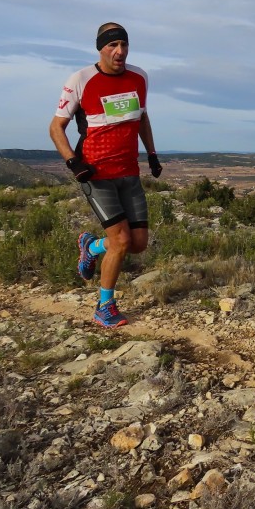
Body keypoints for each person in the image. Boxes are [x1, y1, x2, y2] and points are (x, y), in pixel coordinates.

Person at [49, 23, 162, 328]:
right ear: (100, 48)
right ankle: (104, 306)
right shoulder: (81, 79)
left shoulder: (140, 77)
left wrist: (151, 153)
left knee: (138, 243)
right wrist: (74, 163)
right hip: (96, 174)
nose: (120, 52)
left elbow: (142, 118)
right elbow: (55, 127)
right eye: (112, 45)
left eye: (124, 45)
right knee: (121, 240)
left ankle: (90, 246)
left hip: (129, 173)